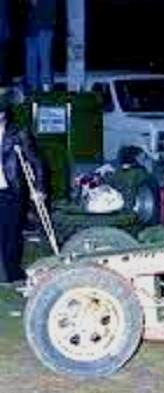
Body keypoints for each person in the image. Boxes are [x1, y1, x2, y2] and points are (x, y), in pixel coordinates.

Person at [0, 89, 45, 283]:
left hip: (10, 190)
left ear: (3, 115)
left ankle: (13, 275)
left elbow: (36, 162)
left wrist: (39, 188)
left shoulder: (18, 134)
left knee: (11, 234)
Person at [24, 0, 57, 92]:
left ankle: (44, 87)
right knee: (32, 59)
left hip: (43, 26)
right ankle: (33, 87)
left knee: (43, 59)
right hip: (33, 27)